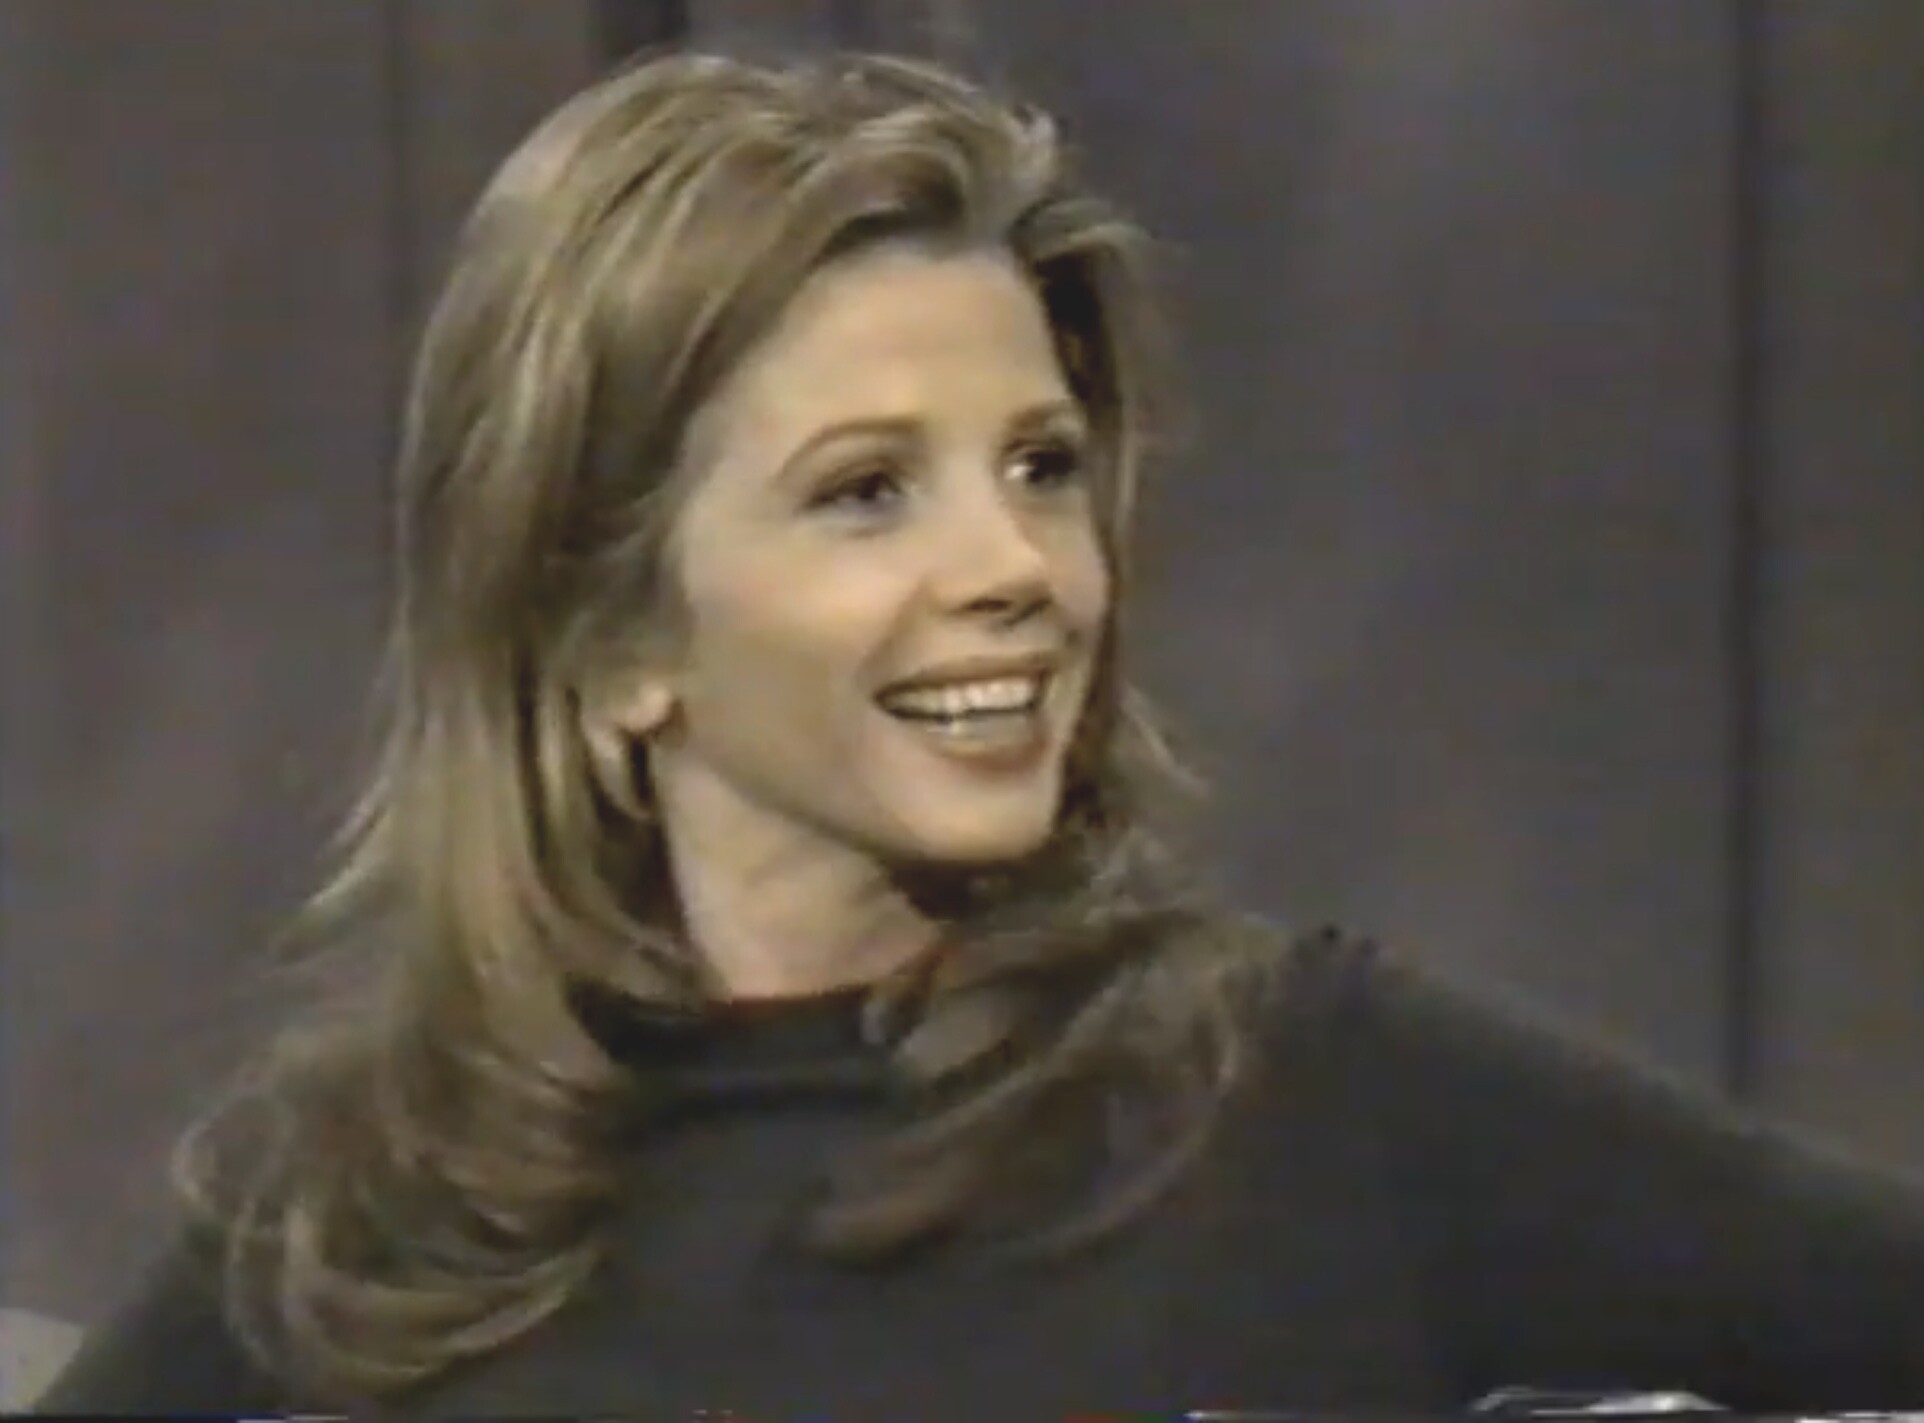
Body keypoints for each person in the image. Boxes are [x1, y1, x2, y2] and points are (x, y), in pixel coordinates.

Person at [36, 47, 1924, 1421]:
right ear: (614, 639)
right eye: (868, 492)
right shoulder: (369, 1219)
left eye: (1041, 465)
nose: (1018, 566)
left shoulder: (1305, 1104)